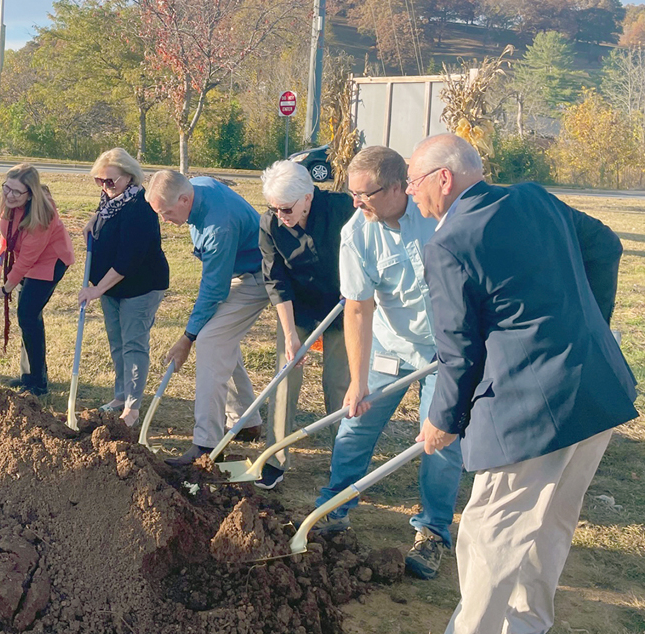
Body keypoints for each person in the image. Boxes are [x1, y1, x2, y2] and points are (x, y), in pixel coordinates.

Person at [409, 133, 638, 633]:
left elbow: (458, 349)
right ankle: (527, 625)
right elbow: (607, 246)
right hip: (596, 388)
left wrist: (443, 421)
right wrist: (587, 327)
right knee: (551, 524)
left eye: (413, 182)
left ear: (442, 179)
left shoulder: (448, 244)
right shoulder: (534, 197)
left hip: (533, 412)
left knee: (491, 533)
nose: (411, 194)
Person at [310, 146, 463, 580]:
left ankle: (432, 532)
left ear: (398, 187)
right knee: (355, 425)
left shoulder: (437, 215)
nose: (356, 203)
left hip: (448, 353)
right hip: (391, 348)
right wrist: (358, 381)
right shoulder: (356, 234)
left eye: (366, 194)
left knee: (441, 445)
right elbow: (358, 309)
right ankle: (335, 508)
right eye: (352, 194)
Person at [147, 170, 267, 467]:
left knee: (211, 340)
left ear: (185, 199)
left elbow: (214, 289)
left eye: (167, 212)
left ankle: (206, 445)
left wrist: (187, 337)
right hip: (236, 270)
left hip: (258, 276)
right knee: (219, 338)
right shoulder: (196, 187)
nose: (164, 220)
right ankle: (246, 419)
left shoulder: (218, 227)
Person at [257, 159, 353, 489]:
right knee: (285, 377)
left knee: (338, 383)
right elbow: (276, 281)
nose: (280, 216)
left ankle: (344, 459)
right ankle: (275, 458)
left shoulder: (342, 209)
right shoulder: (270, 224)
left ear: (308, 198)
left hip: (345, 306)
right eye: (275, 208)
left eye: (286, 209)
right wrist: (289, 336)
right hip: (298, 308)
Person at [78, 148, 169, 426]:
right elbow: (106, 219)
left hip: (141, 286)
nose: (104, 187)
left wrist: (96, 290)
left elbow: (127, 261)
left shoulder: (140, 208)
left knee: (133, 344)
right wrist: (92, 222)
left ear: (129, 177)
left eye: (110, 181)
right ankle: (121, 395)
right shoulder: (110, 200)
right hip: (112, 287)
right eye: (99, 181)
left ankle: (132, 408)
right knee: (117, 342)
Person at [0, 164, 75, 398]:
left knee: (27, 314)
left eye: (17, 192)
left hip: (50, 261)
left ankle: (37, 383)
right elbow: (8, 228)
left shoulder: (42, 215)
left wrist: (5, 288)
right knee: (28, 316)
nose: (9, 195)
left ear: (31, 194)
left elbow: (27, 260)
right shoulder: (10, 202)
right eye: (7, 188)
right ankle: (30, 375)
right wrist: (3, 245)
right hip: (28, 258)